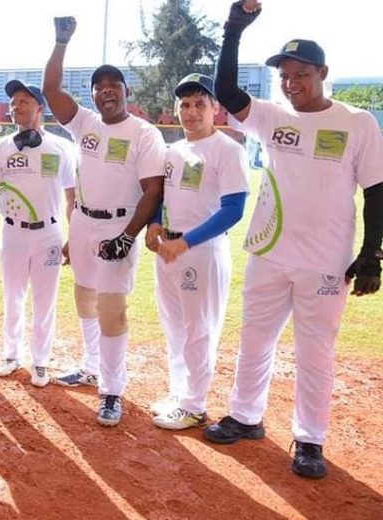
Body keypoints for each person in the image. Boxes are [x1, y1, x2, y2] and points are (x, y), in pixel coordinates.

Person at [202, 0, 383, 480]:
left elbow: (377, 191)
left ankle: (310, 438)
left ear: (322, 72)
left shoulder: (357, 122)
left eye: (300, 73)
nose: (290, 82)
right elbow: (224, 90)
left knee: (315, 350)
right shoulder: (270, 118)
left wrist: (372, 253)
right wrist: (234, 30)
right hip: (268, 251)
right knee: (255, 339)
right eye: (284, 74)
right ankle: (245, 415)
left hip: (325, 261)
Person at [42, 17, 166, 427]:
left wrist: (127, 237)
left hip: (118, 226)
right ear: (94, 95)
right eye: (99, 85)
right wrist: (62, 42)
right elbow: (51, 90)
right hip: (83, 222)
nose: (106, 89)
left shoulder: (144, 133)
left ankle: (112, 390)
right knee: (84, 295)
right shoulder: (85, 125)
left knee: (112, 309)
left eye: (114, 84)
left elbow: (152, 190)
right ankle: (91, 365)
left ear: (126, 92)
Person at [144, 73, 249, 430]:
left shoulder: (228, 150)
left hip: (200, 251)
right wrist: (155, 224)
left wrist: (186, 242)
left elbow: (233, 209)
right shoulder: (174, 150)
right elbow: (164, 197)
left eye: (199, 104)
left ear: (215, 108)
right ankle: (179, 392)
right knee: (174, 326)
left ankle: (194, 404)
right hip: (169, 249)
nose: (191, 112)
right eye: (185, 105)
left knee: (199, 329)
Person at [0, 81, 77, 386]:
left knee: (45, 301)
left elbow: (72, 197)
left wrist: (73, 237)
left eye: (23, 101)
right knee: (13, 297)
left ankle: (41, 362)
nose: (15, 107)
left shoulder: (61, 147)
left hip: (49, 234)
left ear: (39, 107)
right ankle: (10, 355)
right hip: (13, 233)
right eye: (12, 102)